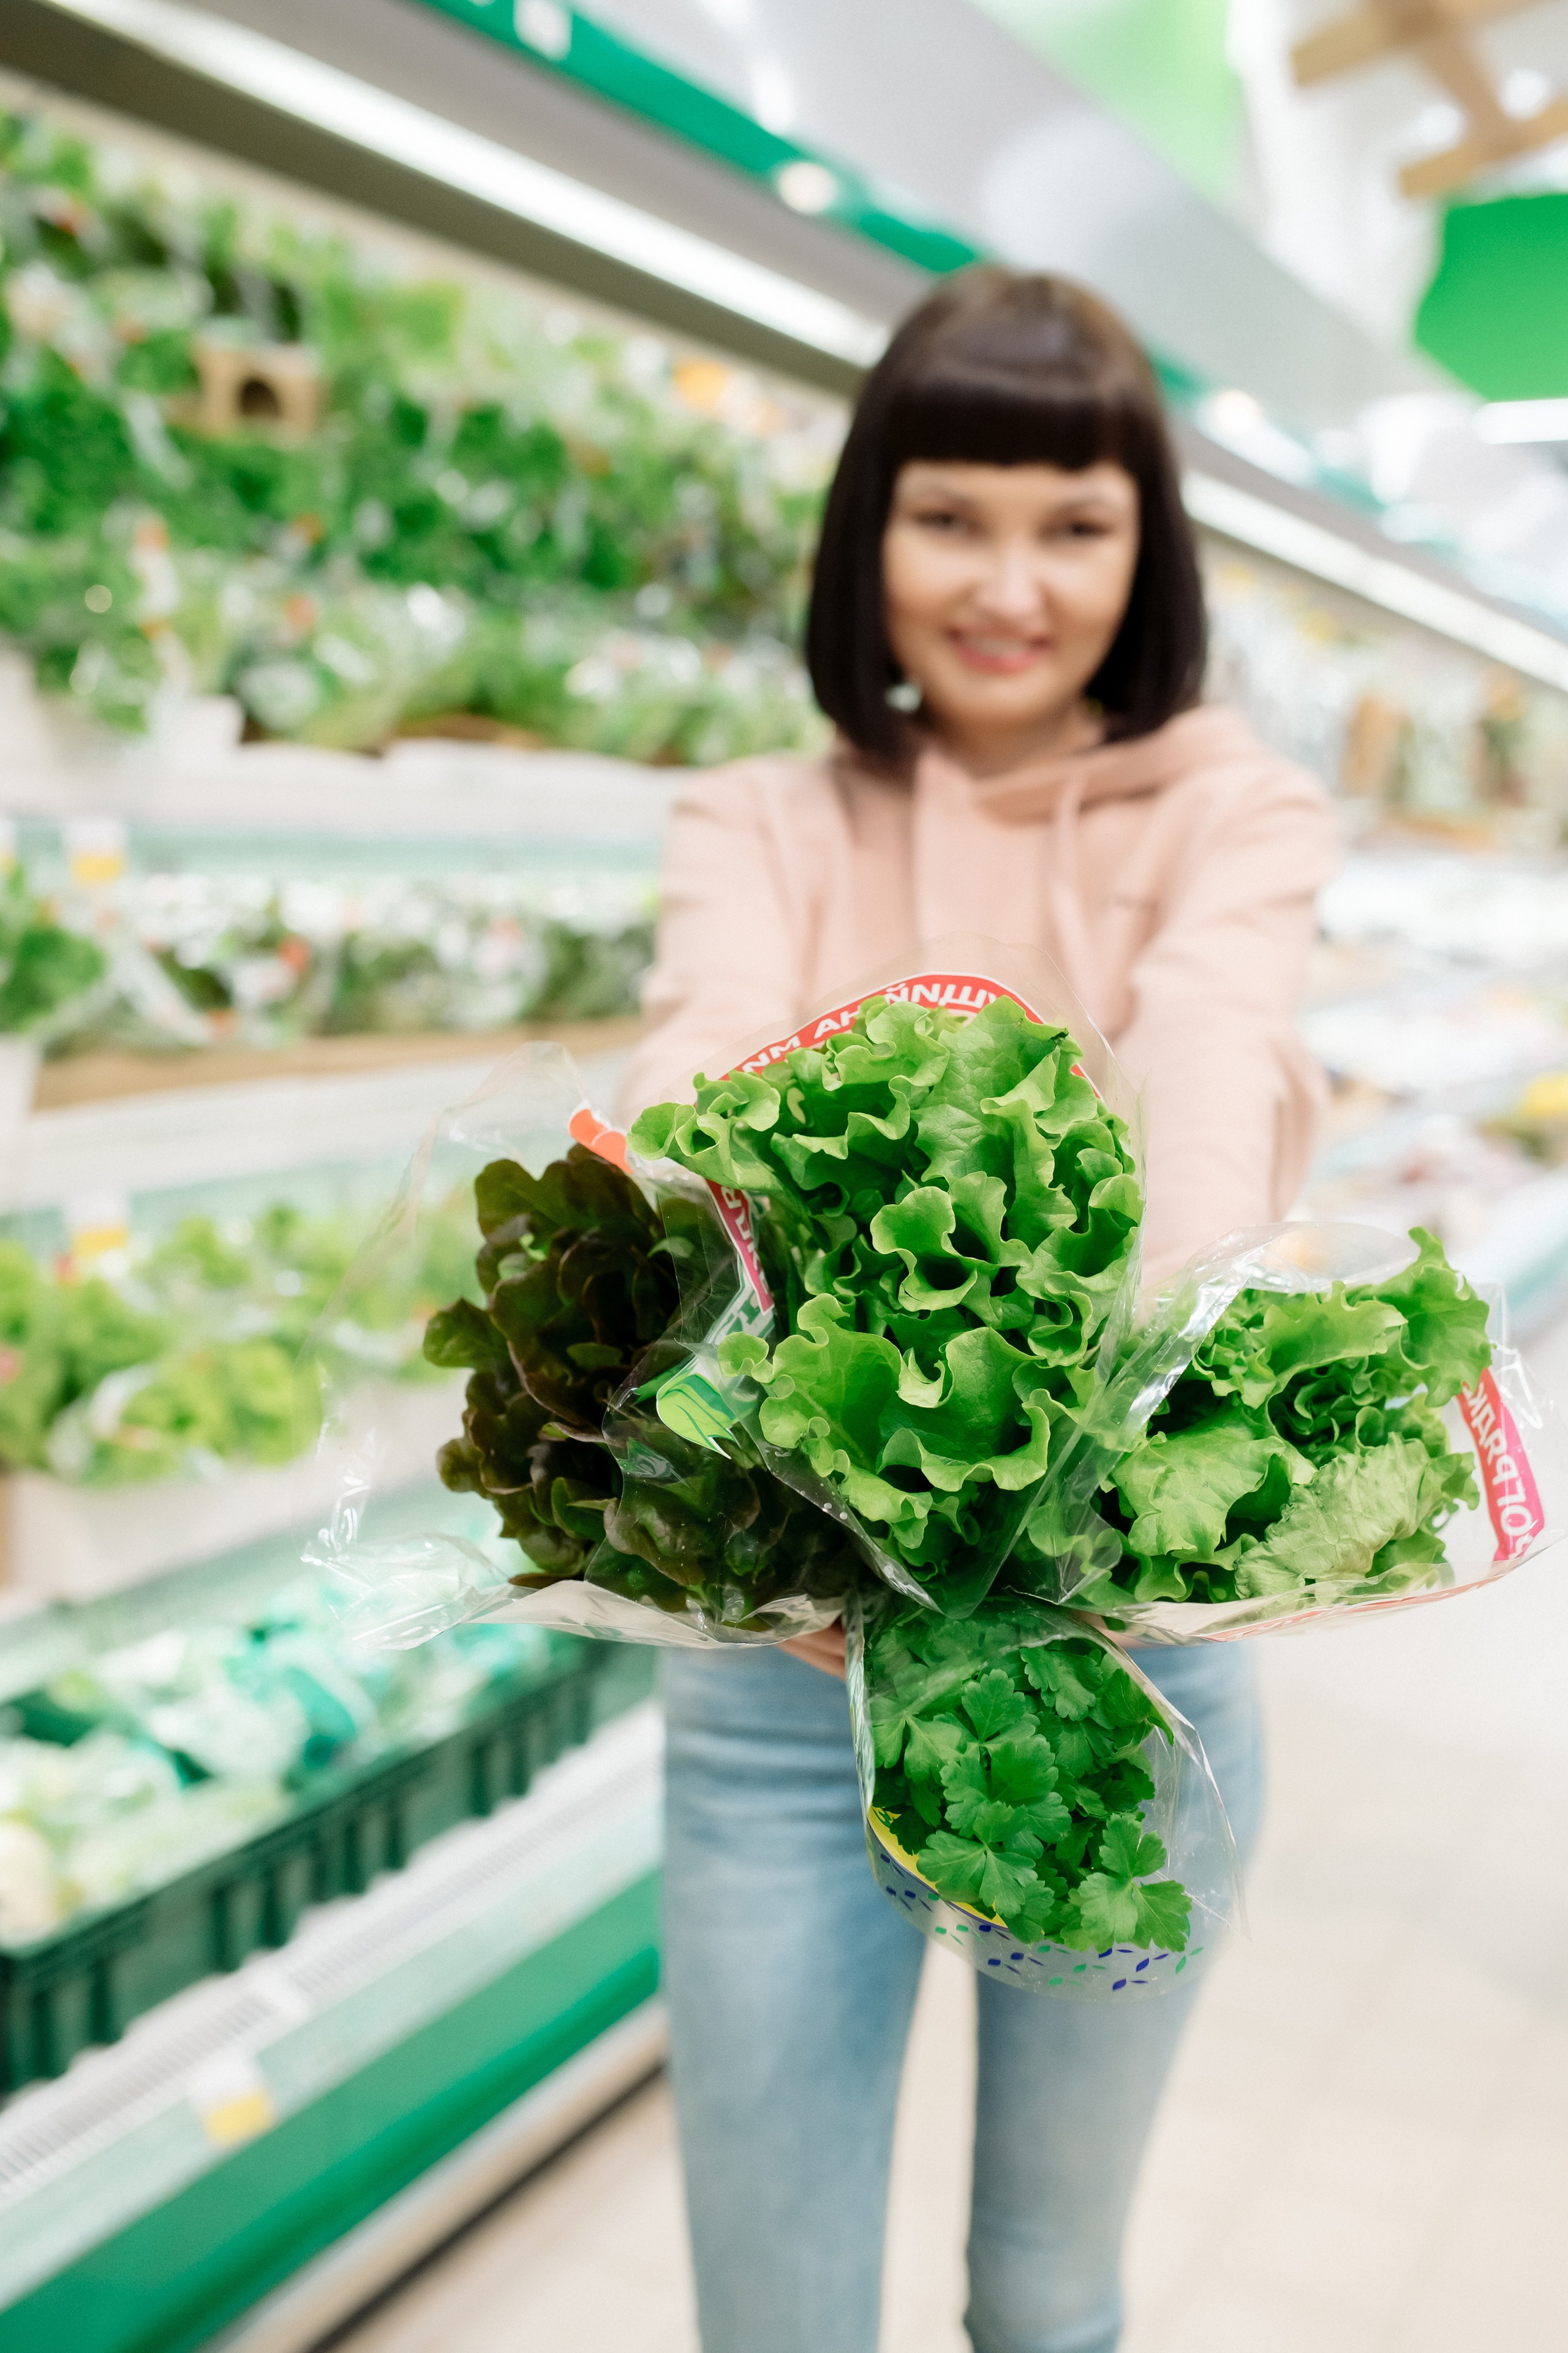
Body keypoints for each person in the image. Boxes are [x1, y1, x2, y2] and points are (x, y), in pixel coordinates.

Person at [620, 268, 1338, 2353]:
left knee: (1047, 2293)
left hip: (1125, 1680)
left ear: (1149, 546)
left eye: (1075, 523)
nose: (1009, 582)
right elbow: (702, 1076)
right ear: (870, 531)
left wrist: (1126, 1399)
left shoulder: (1237, 805)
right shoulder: (752, 815)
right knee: (774, 2317)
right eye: (952, 515)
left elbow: (1207, 1049)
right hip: (781, 1682)